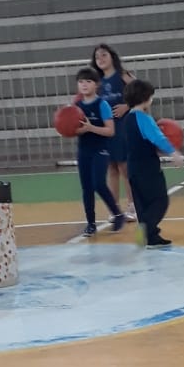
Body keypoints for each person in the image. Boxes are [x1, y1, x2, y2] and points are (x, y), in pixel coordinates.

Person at [124, 78, 184, 248]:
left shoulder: (127, 119)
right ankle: (145, 230)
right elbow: (158, 138)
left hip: (132, 168)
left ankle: (150, 237)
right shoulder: (144, 118)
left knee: (142, 204)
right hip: (148, 168)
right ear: (146, 98)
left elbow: (138, 142)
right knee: (160, 201)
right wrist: (173, 152)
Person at [74, 66, 125, 238]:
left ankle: (117, 214)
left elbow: (110, 131)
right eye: (81, 82)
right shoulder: (76, 106)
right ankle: (91, 224)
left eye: (88, 81)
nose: (84, 85)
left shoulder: (102, 104)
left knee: (98, 184)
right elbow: (73, 129)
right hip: (83, 150)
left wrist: (90, 128)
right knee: (86, 188)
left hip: (100, 150)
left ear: (96, 84)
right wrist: (69, 129)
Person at [91, 43, 136, 220]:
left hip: (123, 127)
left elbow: (142, 92)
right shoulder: (97, 82)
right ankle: (115, 209)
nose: (100, 59)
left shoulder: (123, 75)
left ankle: (133, 206)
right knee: (111, 168)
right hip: (106, 129)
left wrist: (127, 106)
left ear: (112, 56)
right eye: (97, 57)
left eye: (104, 55)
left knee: (125, 167)